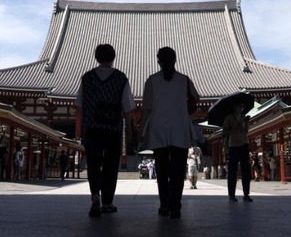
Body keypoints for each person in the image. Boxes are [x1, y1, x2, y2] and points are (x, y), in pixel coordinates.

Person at [140, 46, 200, 219]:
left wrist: (141, 131)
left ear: (158, 61)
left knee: (162, 171)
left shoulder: (152, 80)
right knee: (177, 171)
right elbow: (197, 99)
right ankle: (176, 206)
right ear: (175, 60)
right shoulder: (184, 80)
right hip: (180, 130)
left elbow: (146, 109)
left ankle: (164, 205)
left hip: (158, 130)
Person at [76, 44, 134, 218]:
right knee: (110, 166)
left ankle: (95, 196)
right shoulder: (120, 78)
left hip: (92, 128)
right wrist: (130, 130)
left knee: (93, 164)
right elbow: (127, 107)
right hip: (112, 129)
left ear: (96, 57)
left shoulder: (87, 78)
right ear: (113, 57)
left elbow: (79, 105)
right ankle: (107, 202)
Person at [222, 103, 253, 202]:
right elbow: (225, 132)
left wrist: (246, 122)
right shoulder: (229, 118)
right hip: (233, 145)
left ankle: (246, 194)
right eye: (239, 106)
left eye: (242, 107)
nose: (240, 108)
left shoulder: (244, 117)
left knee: (246, 170)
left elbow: (246, 131)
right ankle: (231, 195)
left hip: (244, 143)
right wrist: (235, 126)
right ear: (234, 107)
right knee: (232, 171)